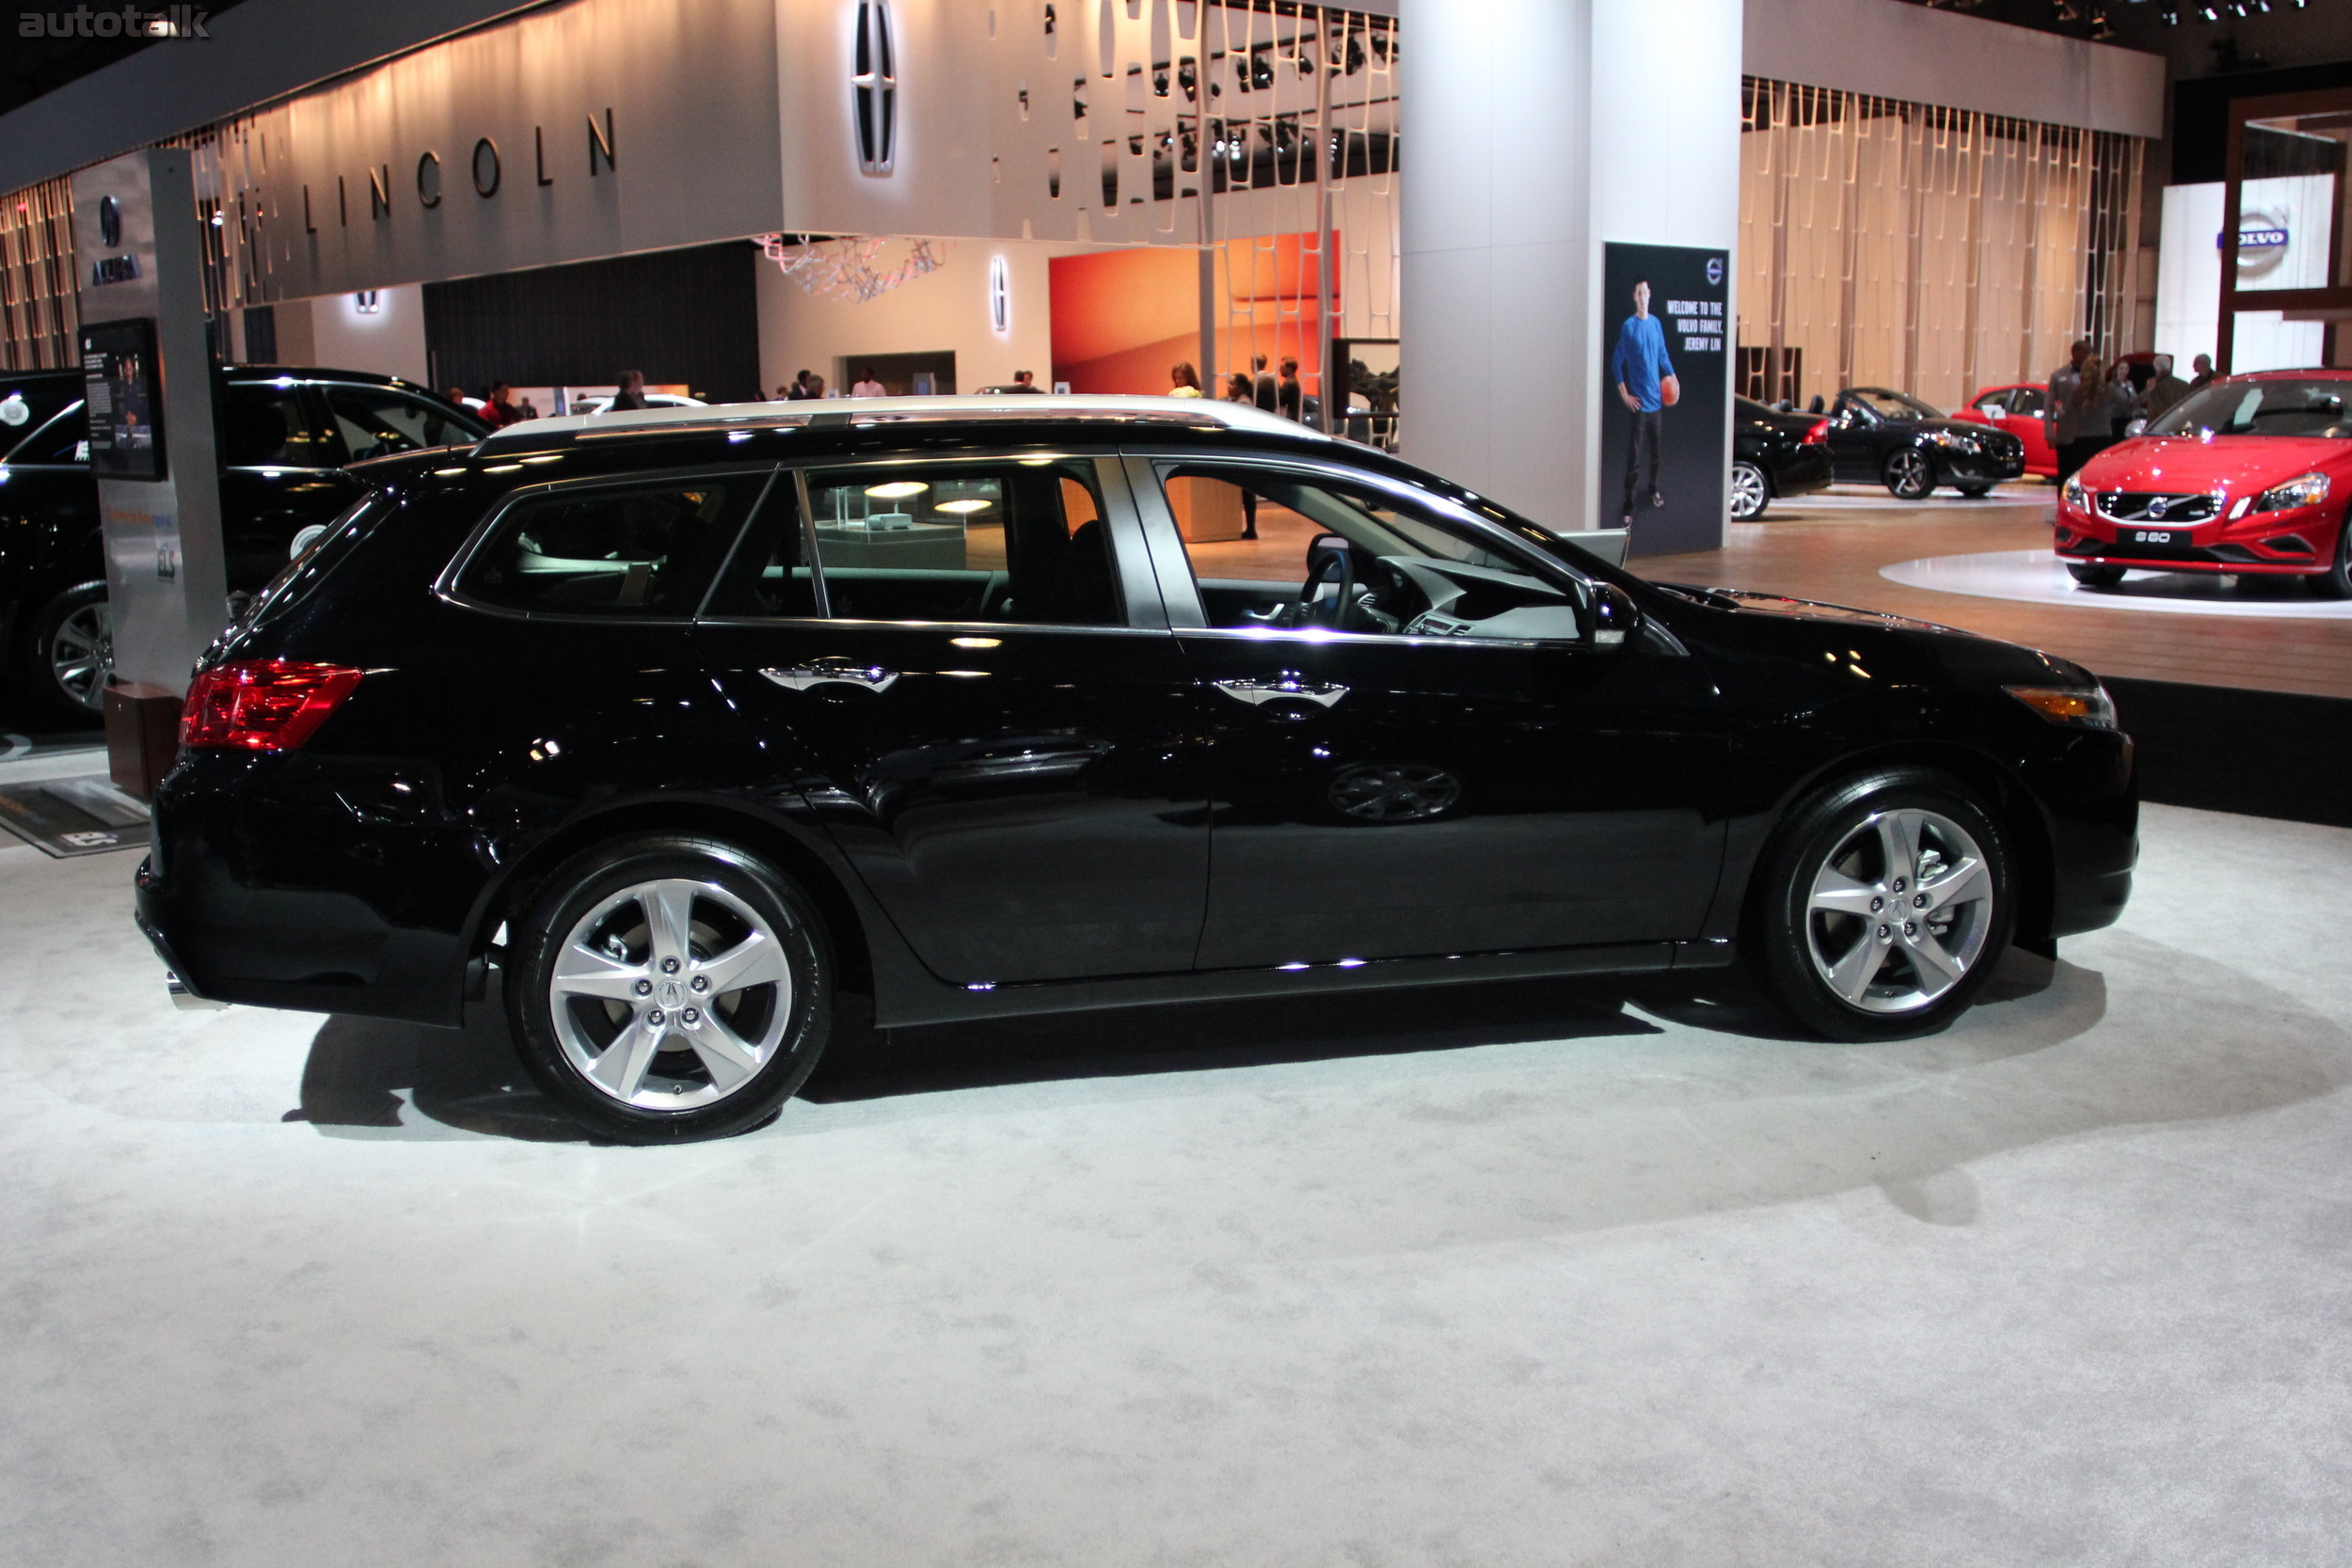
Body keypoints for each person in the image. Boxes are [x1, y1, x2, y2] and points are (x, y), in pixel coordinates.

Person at [1610, 278, 1675, 528]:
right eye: (1639, 292)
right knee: (1634, 458)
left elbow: (1662, 355)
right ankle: (1628, 508)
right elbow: (1617, 362)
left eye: (1646, 292)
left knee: (1656, 453)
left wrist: (1673, 377)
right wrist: (1625, 395)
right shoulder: (1629, 327)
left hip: (1656, 403)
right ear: (1635, 297)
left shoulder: (1656, 324)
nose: (1643, 296)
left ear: (1650, 295)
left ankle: (1653, 490)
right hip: (1639, 406)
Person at [2066, 355, 2135, 475]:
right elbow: (2128, 405)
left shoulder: (2077, 391)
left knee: (2080, 473)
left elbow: (2069, 415)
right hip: (2103, 435)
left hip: (2081, 436)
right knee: (2100, 473)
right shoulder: (2108, 390)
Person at [2045, 339, 2091, 482]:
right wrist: (2049, 432)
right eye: (2086, 352)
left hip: (2088, 431)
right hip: (2066, 431)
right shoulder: (2059, 375)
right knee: (2066, 471)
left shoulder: (2094, 377)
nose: (2089, 356)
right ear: (2075, 353)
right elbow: (2048, 404)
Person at [2142, 353, 2190, 421]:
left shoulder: (2154, 386)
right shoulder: (2184, 385)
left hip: (2159, 426)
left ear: (2156, 368)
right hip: (2180, 423)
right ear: (2170, 366)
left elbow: (2157, 408)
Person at [1277, 356, 1302, 421]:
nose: (1279, 369)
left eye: (1282, 367)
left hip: (1289, 419)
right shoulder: (1293, 381)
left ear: (1290, 369)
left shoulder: (1289, 383)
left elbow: (1279, 400)